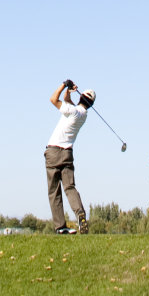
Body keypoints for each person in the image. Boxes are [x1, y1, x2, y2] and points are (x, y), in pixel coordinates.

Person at [45, 78, 95, 234]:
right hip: (67, 154)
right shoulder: (83, 114)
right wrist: (69, 91)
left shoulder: (72, 111)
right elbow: (67, 101)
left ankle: (60, 226)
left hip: (53, 152)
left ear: (81, 98)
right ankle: (80, 213)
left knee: (54, 191)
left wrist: (63, 84)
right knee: (70, 187)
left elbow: (53, 99)